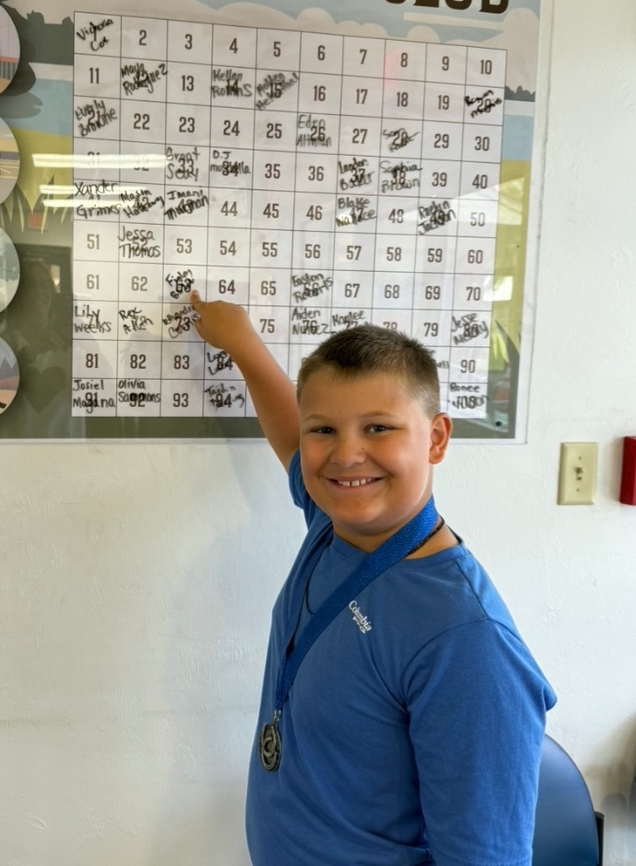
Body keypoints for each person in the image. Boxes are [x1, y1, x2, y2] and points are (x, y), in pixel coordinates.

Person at [189, 290, 556, 866]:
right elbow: (289, 430)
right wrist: (239, 341)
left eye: (379, 428)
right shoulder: (333, 524)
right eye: (324, 431)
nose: (346, 456)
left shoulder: (465, 640)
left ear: (436, 438)